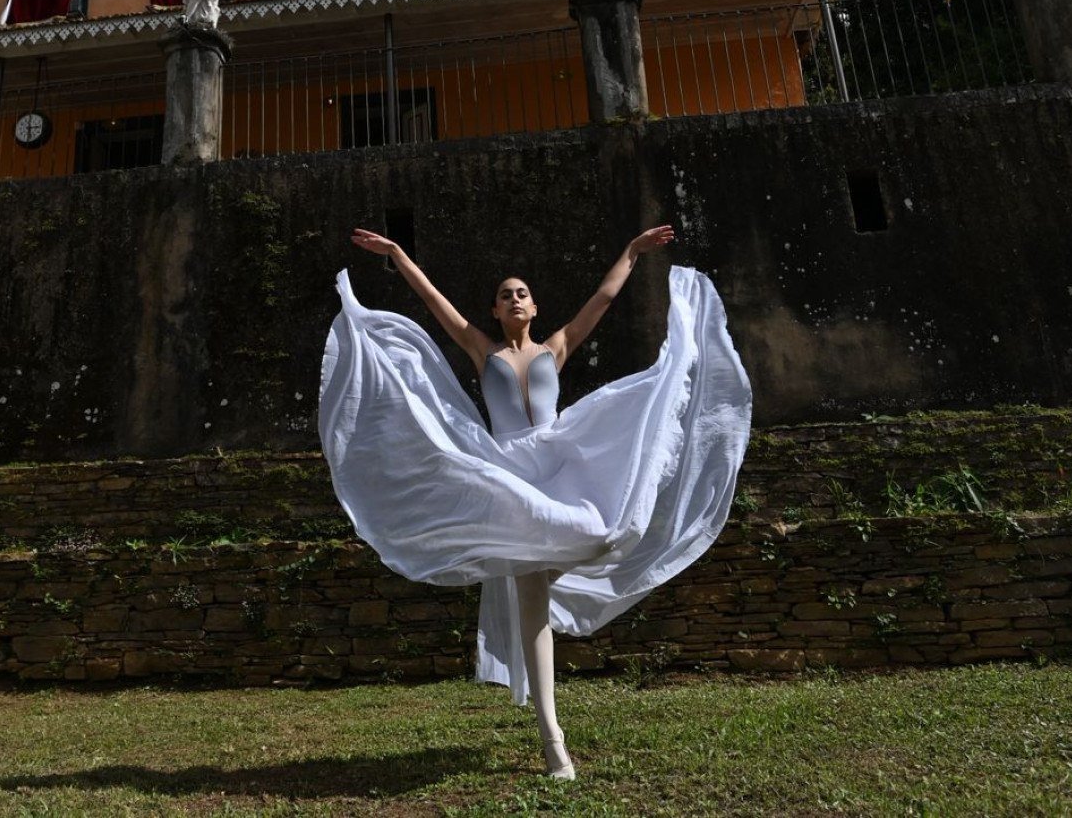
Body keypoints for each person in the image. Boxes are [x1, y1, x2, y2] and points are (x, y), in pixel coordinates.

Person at [318, 226, 752, 781]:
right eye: (505, 295)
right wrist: (398, 255)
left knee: (603, 534)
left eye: (522, 293)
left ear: (535, 306)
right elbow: (433, 301)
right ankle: (552, 738)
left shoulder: (556, 347)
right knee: (531, 599)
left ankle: (558, 581)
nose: (514, 299)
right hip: (510, 477)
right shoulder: (482, 349)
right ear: (495, 311)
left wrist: (632, 252)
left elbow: (603, 300)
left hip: (560, 465)